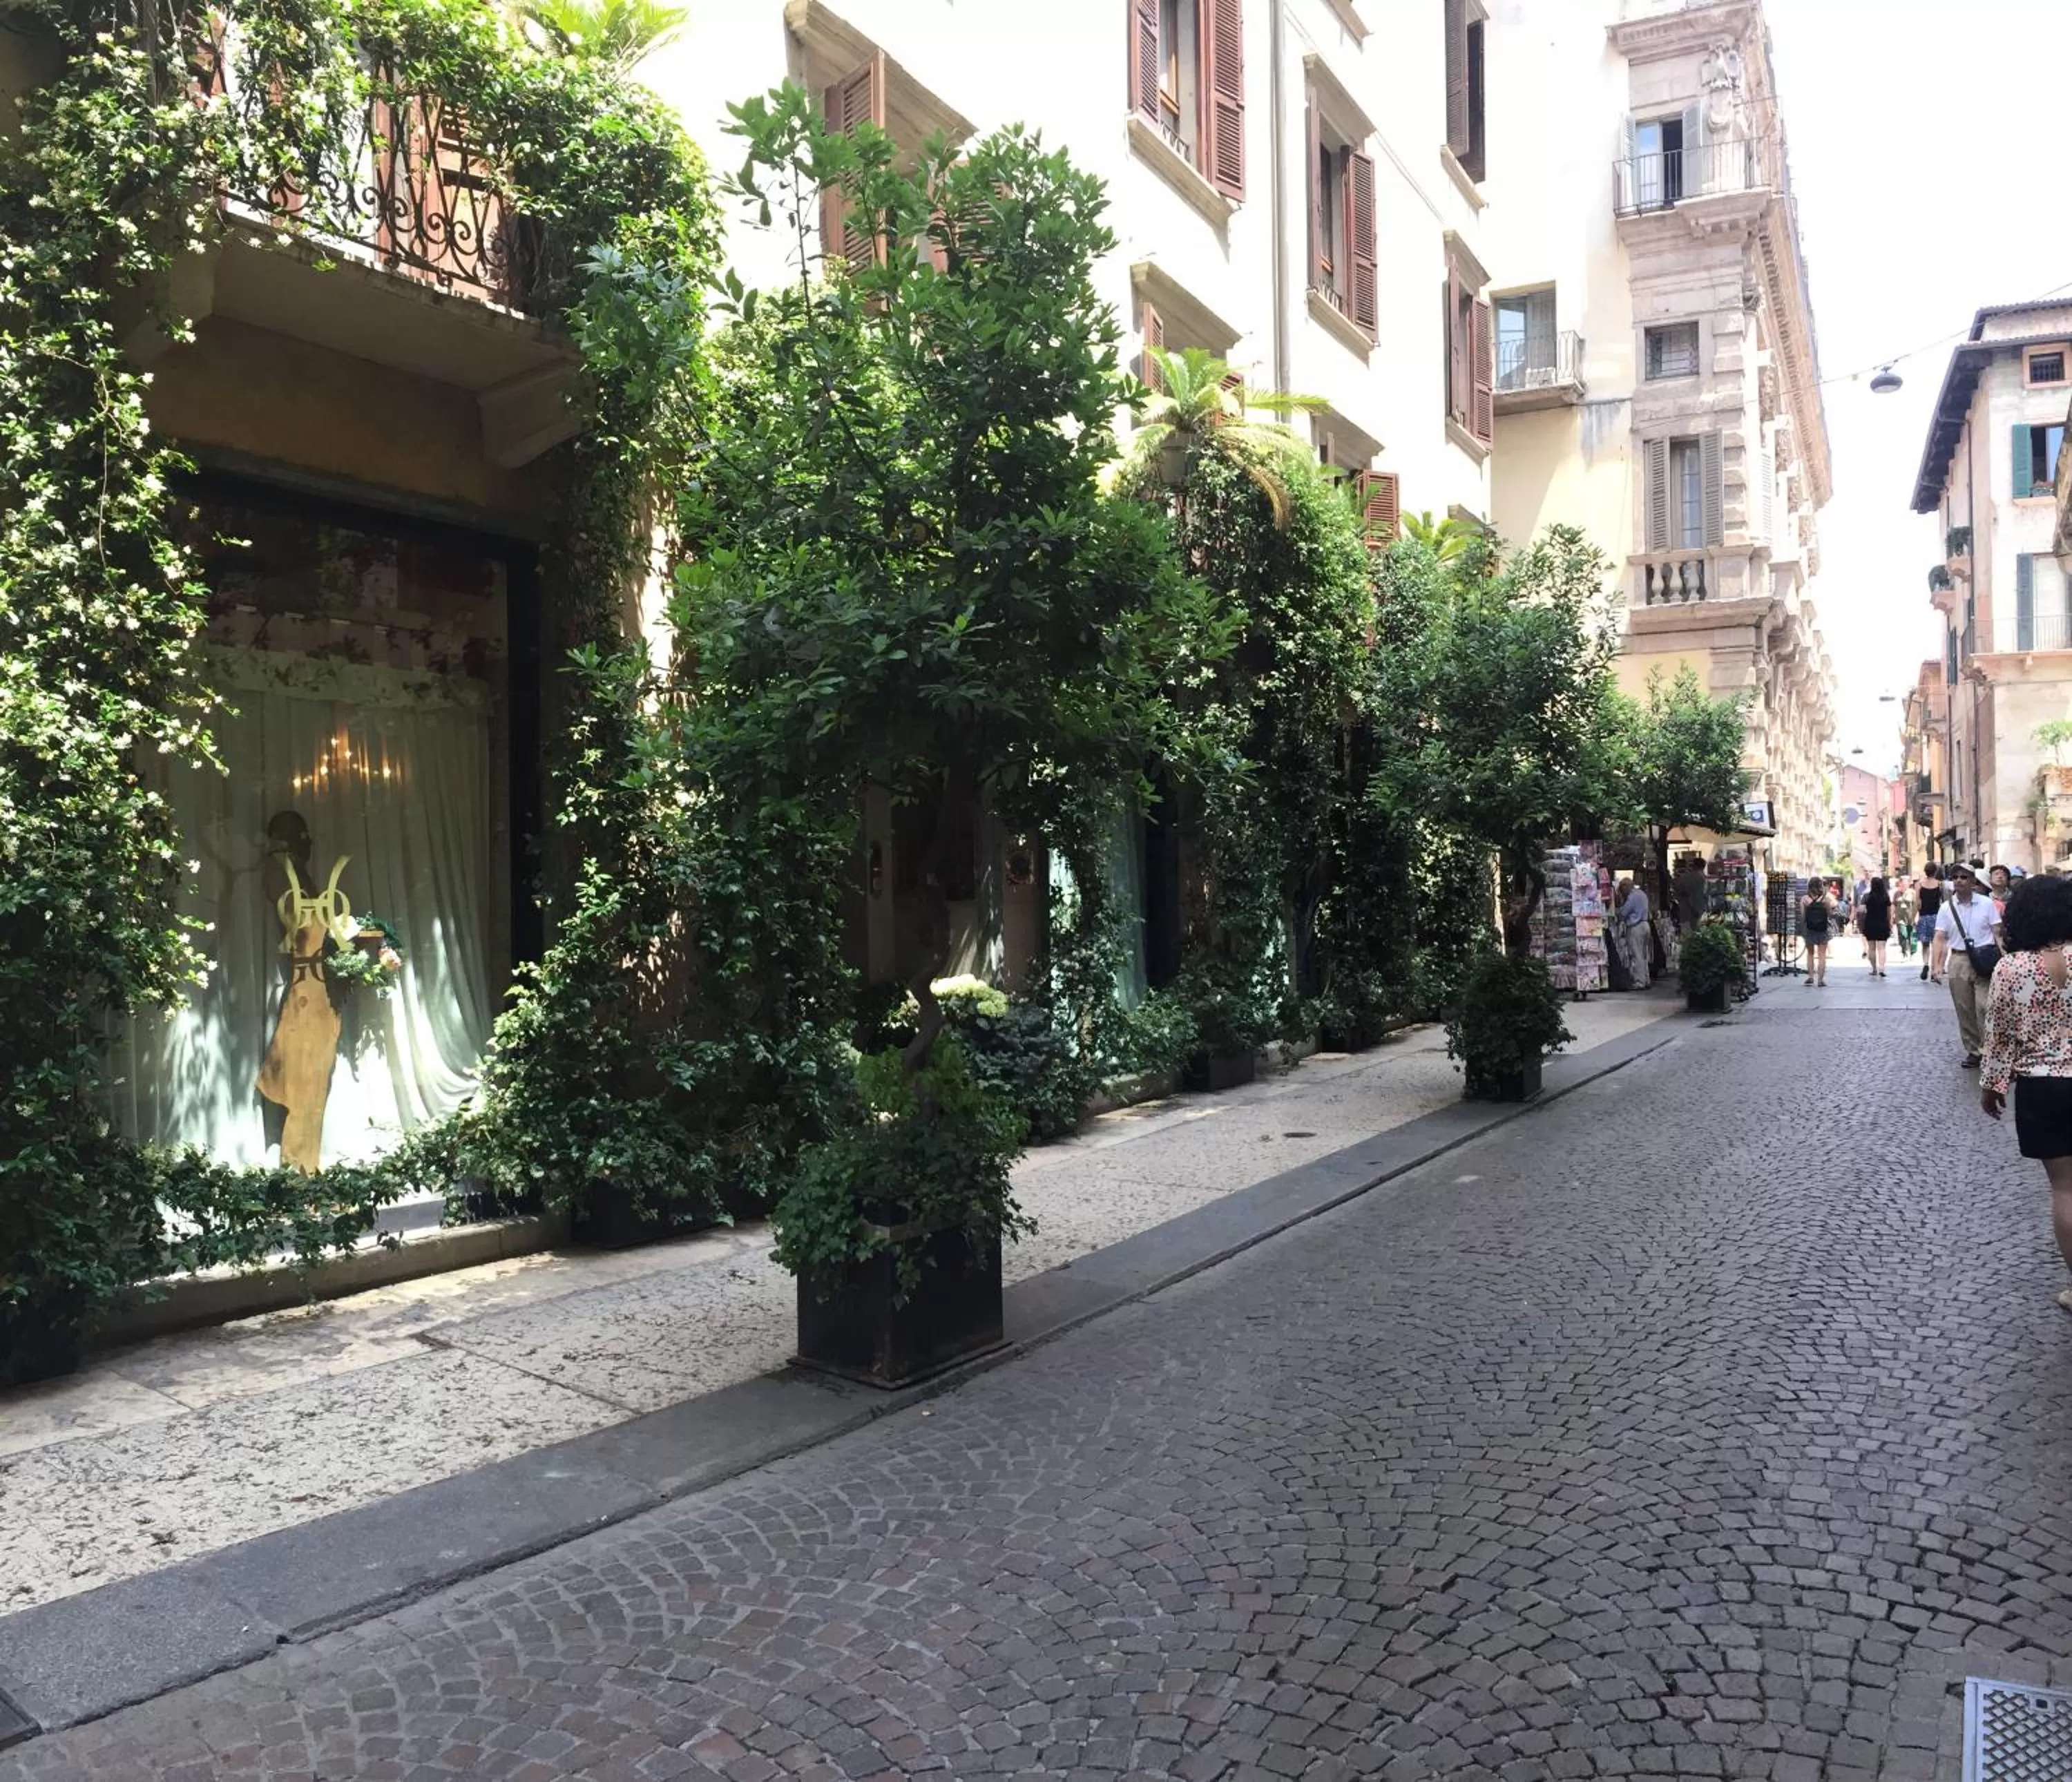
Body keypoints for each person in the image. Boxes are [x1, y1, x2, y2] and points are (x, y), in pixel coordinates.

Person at [1979, 872, 2072, 1312]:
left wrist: (1992, 1086)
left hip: (2043, 1088)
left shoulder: (2012, 969)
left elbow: (1998, 1035)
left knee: (2067, 1190)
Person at [1939, 862, 2006, 1069]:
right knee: (1964, 1008)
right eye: (1956, 877)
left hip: (1985, 959)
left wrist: (2005, 958)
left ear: (1973, 882)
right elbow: (1939, 938)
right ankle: (1974, 1051)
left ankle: (1989, 1049)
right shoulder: (1946, 907)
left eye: (1964, 877)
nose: (1959, 880)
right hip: (1959, 959)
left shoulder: (1987, 904)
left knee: (1985, 1006)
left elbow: (1997, 933)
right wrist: (1936, 966)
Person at [1618, 878, 1652, 989]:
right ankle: (1646, 979)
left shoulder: (1632, 897)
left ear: (1626, 886)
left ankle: (1639, 982)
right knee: (1644, 954)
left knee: (1637, 955)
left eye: (1622, 888)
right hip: (1646, 924)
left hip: (1636, 927)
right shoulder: (1642, 894)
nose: (1622, 891)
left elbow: (1624, 912)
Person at [1800, 875, 1832, 986]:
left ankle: (1810, 977)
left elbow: (1803, 915)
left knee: (1810, 953)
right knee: (1822, 954)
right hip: (1823, 929)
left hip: (1809, 929)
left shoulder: (1805, 899)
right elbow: (1829, 914)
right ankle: (1821, 980)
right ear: (1820, 886)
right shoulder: (1826, 899)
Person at [1861, 874, 1892, 977]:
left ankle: (1874, 969)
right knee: (1882, 948)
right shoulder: (1886, 897)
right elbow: (1889, 912)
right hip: (1883, 923)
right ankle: (1882, 968)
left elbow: (1861, 911)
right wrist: (1889, 923)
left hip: (1870, 923)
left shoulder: (1867, 896)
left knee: (1872, 948)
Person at [1917, 864, 1945, 981]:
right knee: (1936, 944)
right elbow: (1943, 901)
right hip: (1937, 917)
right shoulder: (1940, 885)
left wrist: (1916, 916)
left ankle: (1925, 963)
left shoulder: (1919, 885)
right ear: (1935, 872)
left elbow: (1918, 904)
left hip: (1924, 916)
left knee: (1925, 944)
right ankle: (1934, 970)